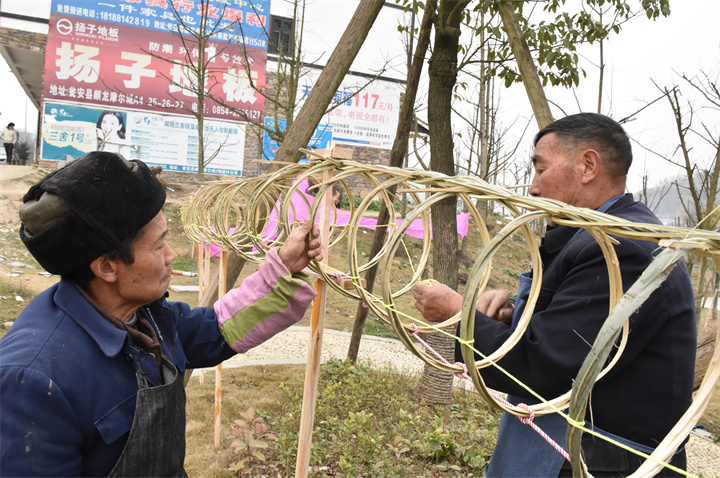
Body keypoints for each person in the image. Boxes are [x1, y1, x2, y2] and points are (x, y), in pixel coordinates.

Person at [0, 151, 323, 476]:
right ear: (107, 266)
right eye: (158, 246)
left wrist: (283, 266)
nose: (173, 255)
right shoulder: (32, 382)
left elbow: (216, 331)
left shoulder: (146, 316)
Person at [414, 113, 696, 477]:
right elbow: (575, 332)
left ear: (587, 166)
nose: (532, 188)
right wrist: (512, 314)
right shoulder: (597, 237)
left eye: (541, 170)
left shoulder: (623, 252)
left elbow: (542, 366)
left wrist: (459, 315)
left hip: (604, 463)